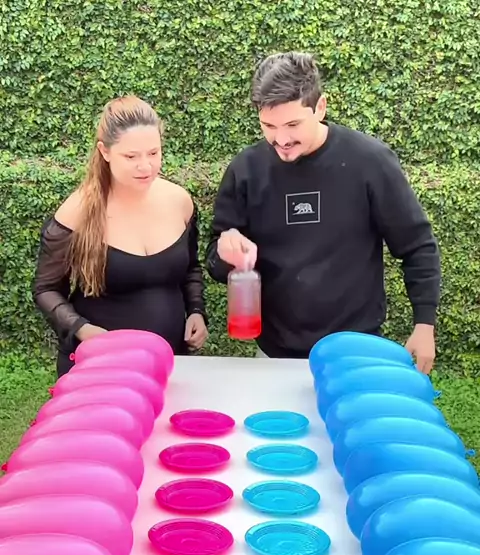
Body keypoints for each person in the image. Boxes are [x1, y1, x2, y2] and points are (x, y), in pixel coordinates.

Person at [206, 52, 440, 373]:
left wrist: (424, 324)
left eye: (293, 124)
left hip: (355, 350)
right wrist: (226, 252)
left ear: (320, 107)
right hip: (275, 355)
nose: (281, 139)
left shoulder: (369, 161)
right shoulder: (246, 170)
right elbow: (216, 262)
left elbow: (417, 245)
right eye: (268, 126)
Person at [33, 95, 208, 376]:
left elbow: (190, 268)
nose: (146, 166)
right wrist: (81, 329)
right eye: (131, 156)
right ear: (105, 152)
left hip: (169, 362)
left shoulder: (180, 201)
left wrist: (196, 310)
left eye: (154, 153)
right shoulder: (78, 212)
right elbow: (46, 289)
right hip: (100, 367)